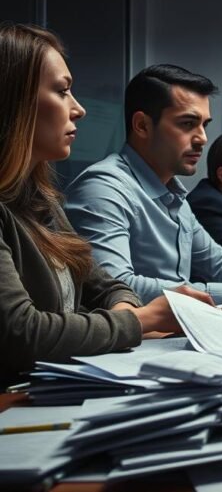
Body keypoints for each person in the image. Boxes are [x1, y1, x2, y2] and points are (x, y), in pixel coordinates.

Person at [0, 23, 210, 378]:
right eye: (62, 91)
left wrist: (127, 310)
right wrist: (141, 319)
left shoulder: (41, 201)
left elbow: (105, 284)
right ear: (13, 102)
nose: (78, 109)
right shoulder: (103, 184)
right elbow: (21, 333)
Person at [65, 64, 222, 305]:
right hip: (142, 330)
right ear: (142, 126)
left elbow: (219, 263)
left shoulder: (174, 193)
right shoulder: (103, 188)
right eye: (188, 124)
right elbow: (116, 285)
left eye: (204, 125)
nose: (203, 138)